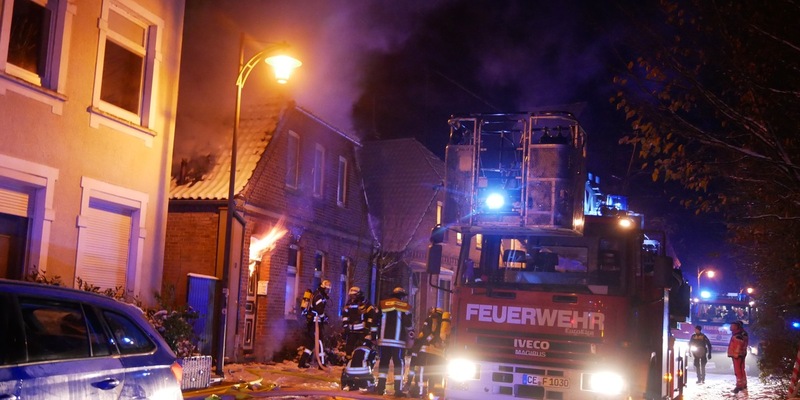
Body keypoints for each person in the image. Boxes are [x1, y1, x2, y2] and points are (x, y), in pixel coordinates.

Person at [376, 286, 414, 396]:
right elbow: (408, 324)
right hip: (398, 342)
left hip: (384, 341)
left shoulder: (382, 304)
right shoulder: (405, 307)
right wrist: (411, 334)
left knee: (383, 363)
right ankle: (398, 390)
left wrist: (374, 336)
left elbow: (375, 321)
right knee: (399, 364)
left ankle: (380, 388)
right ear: (402, 297)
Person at [406, 308, 450, 398]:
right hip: (439, 354)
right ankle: (431, 393)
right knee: (433, 373)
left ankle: (420, 393)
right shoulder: (444, 324)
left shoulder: (429, 320)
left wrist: (432, 341)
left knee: (421, 371)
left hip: (426, 351)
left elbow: (426, 332)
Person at [298, 279, 331, 369]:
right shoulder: (319, 296)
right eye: (327, 289)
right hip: (315, 322)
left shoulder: (317, 294)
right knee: (319, 341)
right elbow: (319, 310)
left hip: (312, 322)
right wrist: (324, 318)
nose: (328, 291)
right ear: (323, 288)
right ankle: (322, 364)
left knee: (310, 343)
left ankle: (302, 362)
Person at [341, 286, 377, 358]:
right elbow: (345, 315)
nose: (352, 297)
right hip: (351, 331)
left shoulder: (366, 303)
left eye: (354, 295)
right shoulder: (349, 304)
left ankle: (361, 361)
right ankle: (348, 361)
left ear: (358, 295)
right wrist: (345, 326)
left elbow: (371, 316)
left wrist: (367, 327)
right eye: (351, 296)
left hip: (362, 331)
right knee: (349, 347)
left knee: (362, 348)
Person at [727, 320, 749, 393]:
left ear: (736, 327)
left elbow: (738, 345)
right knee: (742, 369)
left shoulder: (737, 335)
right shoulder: (743, 333)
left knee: (738, 370)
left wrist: (735, 354)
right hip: (742, 354)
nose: (730, 327)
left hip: (737, 355)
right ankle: (744, 384)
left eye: (732, 326)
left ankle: (739, 386)